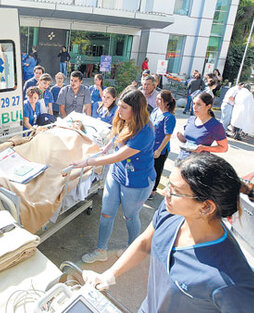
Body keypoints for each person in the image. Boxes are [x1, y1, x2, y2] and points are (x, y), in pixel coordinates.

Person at [83, 153, 254, 312]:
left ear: (206, 206)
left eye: (175, 191)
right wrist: (110, 274)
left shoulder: (232, 282)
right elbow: (145, 243)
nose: (165, 193)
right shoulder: (170, 212)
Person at [69, 90, 155, 263]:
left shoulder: (145, 132)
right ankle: (101, 250)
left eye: (124, 107)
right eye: (120, 106)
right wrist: (103, 149)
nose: (119, 110)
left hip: (137, 182)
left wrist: (87, 163)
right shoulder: (124, 120)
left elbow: (119, 156)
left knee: (130, 216)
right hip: (117, 174)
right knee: (106, 214)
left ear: (136, 110)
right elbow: (115, 138)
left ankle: (132, 249)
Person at [177, 92, 228, 160]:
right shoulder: (191, 119)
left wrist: (204, 148)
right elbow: (191, 141)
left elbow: (224, 148)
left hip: (197, 164)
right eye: (194, 103)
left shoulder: (215, 126)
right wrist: (183, 139)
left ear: (208, 106)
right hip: (182, 159)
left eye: (198, 104)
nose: (194, 107)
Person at [149, 90, 176, 200]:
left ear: (166, 102)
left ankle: (153, 190)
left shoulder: (169, 117)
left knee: (157, 169)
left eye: (160, 99)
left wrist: (159, 150)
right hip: (150, 145)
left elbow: (167, 135)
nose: (157, 100)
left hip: (160, 149)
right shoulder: (156, 111)